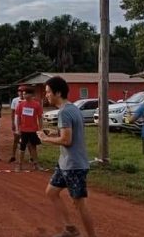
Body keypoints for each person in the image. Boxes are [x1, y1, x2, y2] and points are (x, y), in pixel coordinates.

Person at [39, 76, 96, 237]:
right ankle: (70, 229)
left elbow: (67, 140)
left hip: (74, 165)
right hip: (65, 163)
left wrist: (46, 139)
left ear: (58, 92)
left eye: (48, 92)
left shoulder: (65, 112)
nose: (47, 95)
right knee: (51, 192)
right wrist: (54, 132)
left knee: (79, 204)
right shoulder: (73, 108)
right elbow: (68, 133)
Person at [15, 87, 44, 171]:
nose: (24, 95)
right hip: (23, 130)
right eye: (23, 94)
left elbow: (40, 117)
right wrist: (18, 128)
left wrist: (40, 128)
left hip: (33, 130)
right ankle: (19, 166)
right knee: (22, 148)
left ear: (31, 95)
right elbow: (18, 118)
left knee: (33, 147)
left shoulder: (36, 104)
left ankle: (36, 165)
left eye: (25, 93)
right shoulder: (20, 105)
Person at [9, 85, 27, 163]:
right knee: (16, 139)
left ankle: (31, 158)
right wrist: (13, 123)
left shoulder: (28, 100)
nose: (21, 93)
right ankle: (13, 156)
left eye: (22, 91)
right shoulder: (15, 100)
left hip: (26, 123)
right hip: (17, 122)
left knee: (28, 141)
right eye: (19, 91)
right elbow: (12, 113)